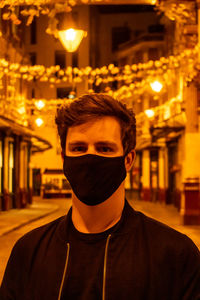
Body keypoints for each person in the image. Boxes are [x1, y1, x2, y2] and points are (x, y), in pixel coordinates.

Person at [0, 93, 200, 300]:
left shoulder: (176, 256)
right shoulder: (28, 251)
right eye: (79, 148)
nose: (90, 158)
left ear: (128, 159)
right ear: (63, 158)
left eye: (104, 148)